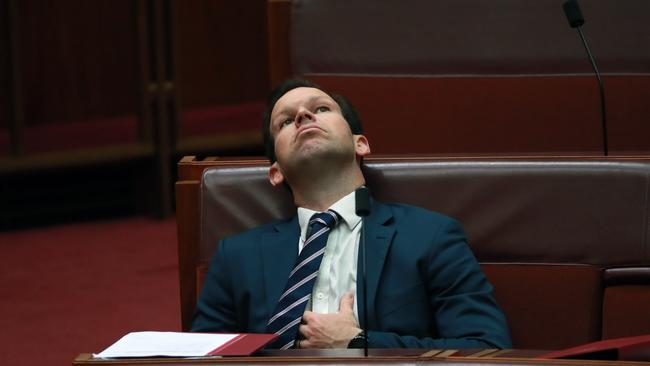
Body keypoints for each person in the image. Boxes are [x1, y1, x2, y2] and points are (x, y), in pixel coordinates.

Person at [192, 79, 512, 350]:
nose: (303, 115)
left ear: (360, 144)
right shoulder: (236, 256)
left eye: (321, 109)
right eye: (286, 121)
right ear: (275, 172)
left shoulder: (430, 236)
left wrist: (359, 341)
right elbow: (202, 357)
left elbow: (485, 348)